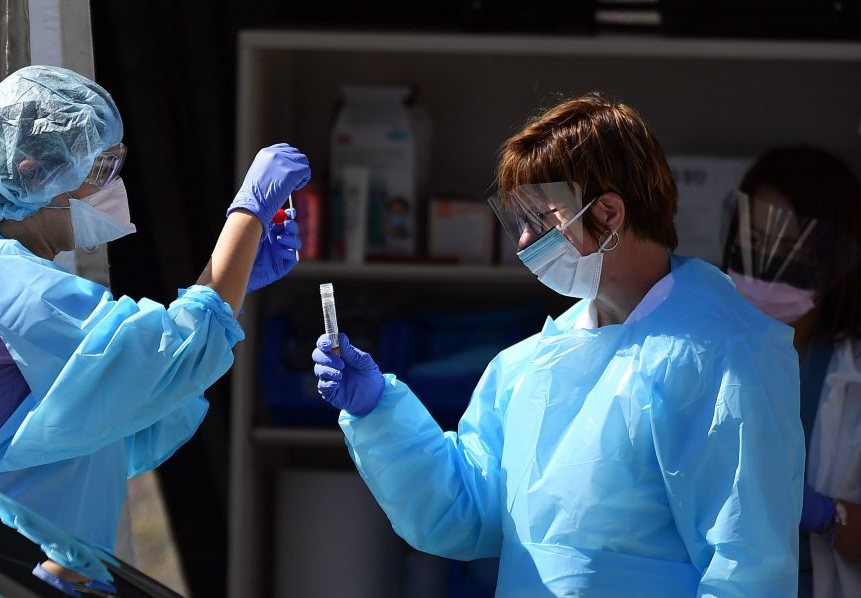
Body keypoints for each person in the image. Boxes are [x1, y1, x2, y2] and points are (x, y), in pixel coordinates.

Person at [312, 93, 804, 596]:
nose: (525, 242)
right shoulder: (532, 364)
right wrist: (379, 413)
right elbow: (463, 513)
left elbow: (749, 567)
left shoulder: (725, 354)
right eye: (519, 222)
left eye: (540, 220)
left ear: (609, 214)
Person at [0, 65, 310, 596]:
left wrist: (234, 280)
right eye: (100, 167)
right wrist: (246, 217)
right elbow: (163, 359)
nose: (112, 186)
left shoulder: (8, 275)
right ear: (32, 172)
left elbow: (131, 416)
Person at [722, 146, 861, 597]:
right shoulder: (701, 350)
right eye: (754, 242)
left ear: (835, 264)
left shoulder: (848, 375)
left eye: (789, 251)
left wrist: (824, 514)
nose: (766, 266)